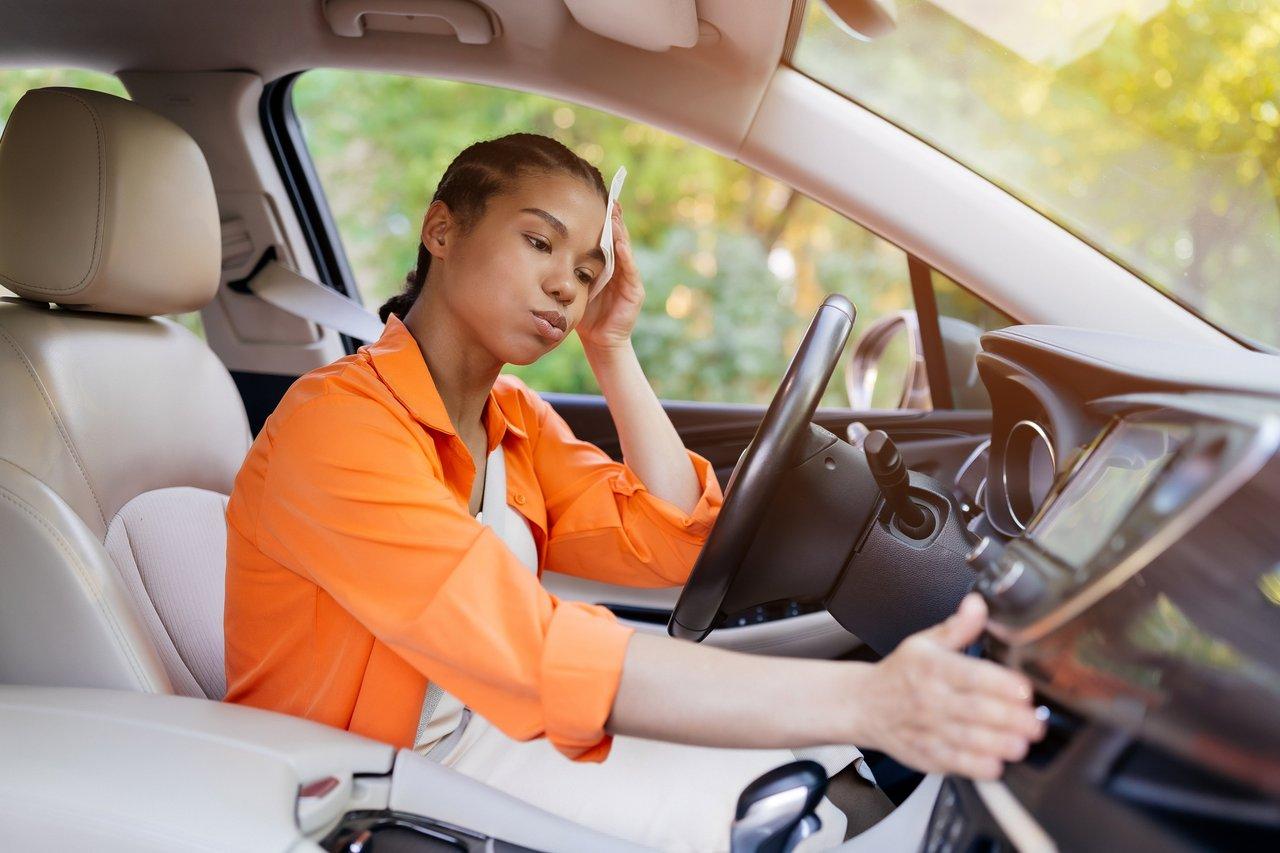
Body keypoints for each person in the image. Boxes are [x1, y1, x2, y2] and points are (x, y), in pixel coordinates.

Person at [223, 133, 1044, 851]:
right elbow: (534, 647)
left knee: (835, 776)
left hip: (495, 726)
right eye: (539, 243)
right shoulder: (336, 426)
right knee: (800, 810)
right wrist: (868, 698)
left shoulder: (512, 418)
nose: (565, 287)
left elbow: (671, 537)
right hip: (376, 778)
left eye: (585, 272)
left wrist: (611, 348)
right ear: (443, 228)